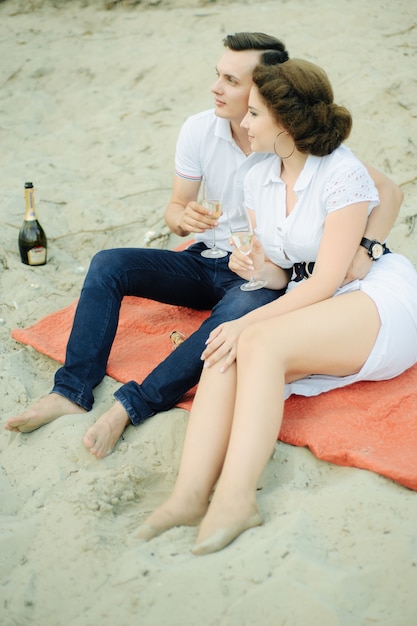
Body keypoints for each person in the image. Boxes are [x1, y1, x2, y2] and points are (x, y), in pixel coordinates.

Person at [5, 35, 402, 460]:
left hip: (262, 274)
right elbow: (175, 210)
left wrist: (365, 247)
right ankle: (72, 388)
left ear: (268, 92)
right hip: (207, 255)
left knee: (230, 321)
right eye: (218, 75)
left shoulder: (292, 145)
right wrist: (182, 218)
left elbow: (383, 191)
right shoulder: (199, 129)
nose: (216, 87)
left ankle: (133, 405)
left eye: (232, 81)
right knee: (109, 264)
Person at [135, 59, 417, 555]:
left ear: (284, 126)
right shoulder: (257, 178)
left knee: (253, 339)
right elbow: (286, 274)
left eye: (255, 115)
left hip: (370, 296)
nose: (243, 123)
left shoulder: (342, 174)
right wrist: (260, 270)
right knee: (224, 352)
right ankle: (189, 494)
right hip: (308, 294)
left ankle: (238, 498)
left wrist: (251, 319)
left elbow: (329, 279)